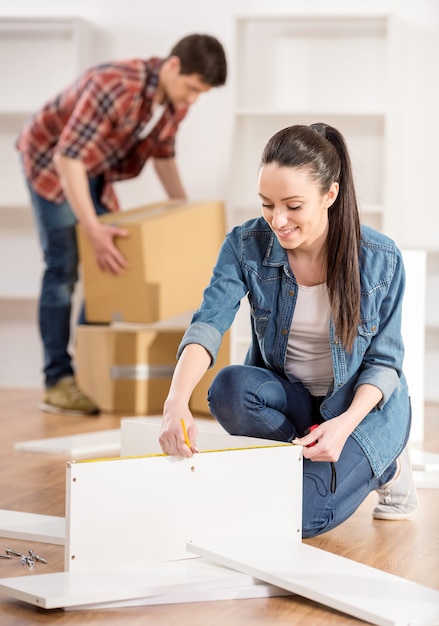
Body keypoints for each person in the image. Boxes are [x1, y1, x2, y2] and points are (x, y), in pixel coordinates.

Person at [159, 122, 418, 537]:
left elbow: (385, 364)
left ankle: (387, 463)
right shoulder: (246, 245)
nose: (277, 220)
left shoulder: (379, 258)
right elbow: (210, 321)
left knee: (296, 518)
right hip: (295, 401)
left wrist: (346, 423)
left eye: (293, 206)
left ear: (329, 195)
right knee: (228, 389)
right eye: (266, 204)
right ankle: (303, 460)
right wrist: (175, 402)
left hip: (361, 412)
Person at [16, 33, 227, 417]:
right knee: (63, 265)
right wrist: (91, 227)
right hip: (53, 162)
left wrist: (185, 213)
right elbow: (68, 158)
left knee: (106, 264)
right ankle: (57, 381)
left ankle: (90, 369)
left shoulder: (175, 99)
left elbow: (163, 156)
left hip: (93, 167)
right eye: (193, 88)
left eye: (202, 93)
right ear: (173, 65)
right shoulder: (113, 83)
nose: (193, 99)